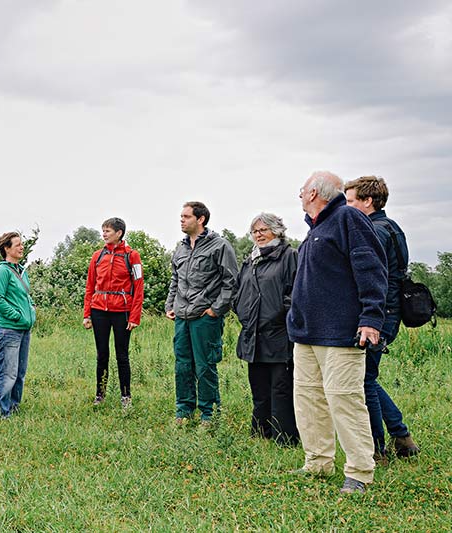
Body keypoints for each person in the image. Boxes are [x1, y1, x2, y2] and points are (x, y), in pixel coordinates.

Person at [287, 171, 387, 494]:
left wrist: (371, 317)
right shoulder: (314, 229)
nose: (300, 193)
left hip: (341, 333)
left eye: (302, 189)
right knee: (308, 400)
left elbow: (371, 267)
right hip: (306, 334)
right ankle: (317, 461)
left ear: (314, 192)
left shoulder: (348, 219)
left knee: (345, 400)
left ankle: (359, 471)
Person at [344, 176, 420, 461]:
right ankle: (402, 437)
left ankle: (376, 450)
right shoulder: (392, 227)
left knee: (364, 381)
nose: (346, 207)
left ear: (367, 201)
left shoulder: (374, 231)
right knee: (368, 378)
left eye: (351, 201)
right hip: (389, 312)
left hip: (378, 314)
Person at [165, 202, 238, 426]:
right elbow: (175, 279)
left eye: (186, 216)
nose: (182, 220)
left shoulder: (220, 246)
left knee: (205, 365)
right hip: (182, 317)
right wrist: (170, 304)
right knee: (183, 364)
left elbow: (231, 282)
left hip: (204, 318)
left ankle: (209, 413)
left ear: (201, 219)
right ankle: (184, 410)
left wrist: (215, 310)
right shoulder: (181, 248)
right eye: (181, 216)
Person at [233, 213, 299, 446]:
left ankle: (286, 437)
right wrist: (242, 313)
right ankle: (261, 433)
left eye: (263, 230)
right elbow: (239, 291)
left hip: (278, 333)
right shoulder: (250, 260)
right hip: (253, 334)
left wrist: (279, 315)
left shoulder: (289, 256)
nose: (258, 235)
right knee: (259, 387)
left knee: (280, 388)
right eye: (255, 231)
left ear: (277, 231)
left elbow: (295, 293)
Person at [83, 217, 144, 408]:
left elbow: (138, 287)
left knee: (122, 355)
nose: (104, 234)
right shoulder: (97, 256)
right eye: (103, 230)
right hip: (99, 310)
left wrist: (134, 317)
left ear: (119, 233)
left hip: (122, 312)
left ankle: (126, 396)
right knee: (102, 354)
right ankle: (100, 395)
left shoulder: (132, 256)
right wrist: (87, 314)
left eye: (108, 231)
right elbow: (90, 286)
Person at [0, 232, 36, 419]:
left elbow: (24, 296)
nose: (21, 247)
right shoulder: (2, 271)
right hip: (9, 328)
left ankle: (13, 406)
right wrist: (16, 316)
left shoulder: (21, 271)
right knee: (8, 372)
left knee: (20, 372)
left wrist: (31, 310)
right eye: (17, 244)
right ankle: (1, 412)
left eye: (21, 244)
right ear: (6, 249)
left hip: (24, 329)